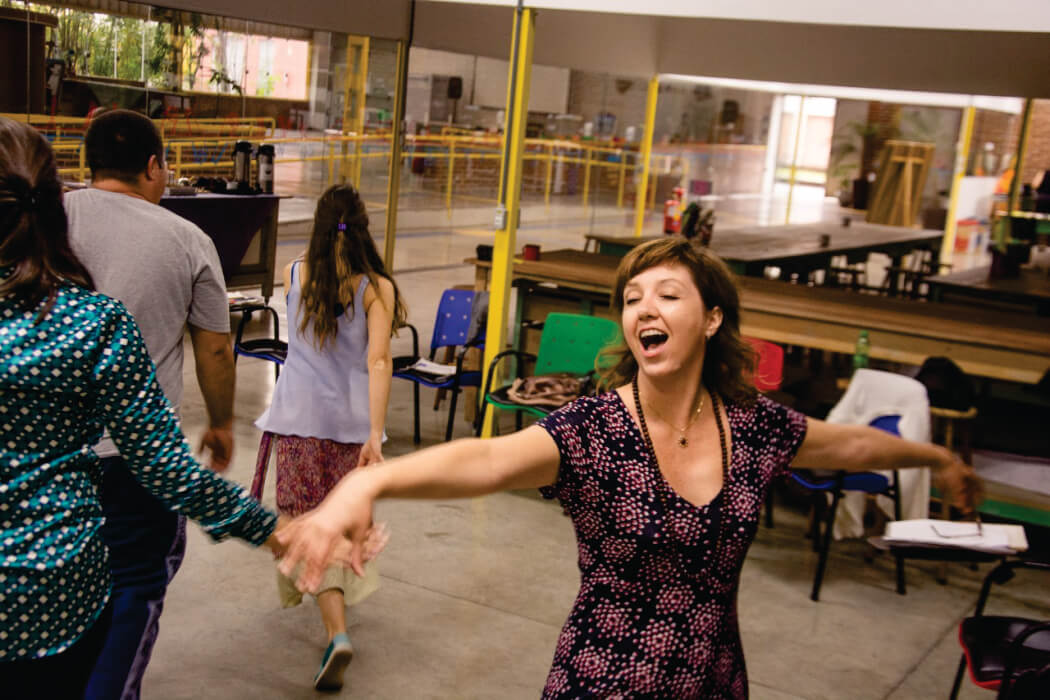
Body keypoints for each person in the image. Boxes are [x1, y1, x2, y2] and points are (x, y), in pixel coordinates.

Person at [276, 237, 982, 698]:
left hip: (712, 679)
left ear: (710, 319)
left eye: (668, 294)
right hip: (604, 679)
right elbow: (488, 459)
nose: (645, 307)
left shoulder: (755, 427)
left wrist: (937, 456)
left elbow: (851, 446)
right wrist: (364, 482)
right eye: (633, 298)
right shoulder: (595, 432)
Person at [0, 118, 299, 697]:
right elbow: (165, 464)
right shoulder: (93, 323)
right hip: (56, 600)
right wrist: (274, 530)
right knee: (131, 596)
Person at [62, 108, 237, 700]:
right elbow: (214, 353)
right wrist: (220, 424)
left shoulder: (44, 218)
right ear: (154, 167)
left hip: (45, 454)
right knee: (132, 591)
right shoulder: (188, 239)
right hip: (140, 461)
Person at [255, 183, 405, 691]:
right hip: (348, 430)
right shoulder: (376, 288)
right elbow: (379, 360)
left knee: (303, 521)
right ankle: (336, 627)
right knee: (337, 527)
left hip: (296, 422)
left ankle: (335, 630)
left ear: (317, 227)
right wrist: (375, 435)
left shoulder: (294, 273)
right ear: (363, 227)